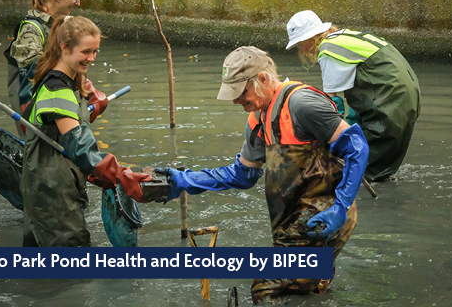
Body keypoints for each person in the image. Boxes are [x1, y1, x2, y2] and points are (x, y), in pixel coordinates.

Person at [151, 46, 368, 301]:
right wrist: (185, 180)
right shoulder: (257, 118)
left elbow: (357, 147)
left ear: (263, 79)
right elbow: (243, 175)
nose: (236, 100)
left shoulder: (301, 103)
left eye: (241, 92)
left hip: (320, 216)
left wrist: (340, 208)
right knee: (303, 289)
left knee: (265, 286)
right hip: (291, 222)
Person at [19, 16, 153, 247]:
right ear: (64, 48)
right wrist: (121, 175)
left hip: (51, 183)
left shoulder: (67, 80)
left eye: (95, 51)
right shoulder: (56, 89)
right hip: (51, 191)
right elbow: (79, 146)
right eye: (85, 52)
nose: (91, 58)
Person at [286, 10, 418, 182]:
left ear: (308, 40)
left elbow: (330, 105)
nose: (301, 50)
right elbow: (361, 97)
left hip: (390, 98)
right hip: (408, 93)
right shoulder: (348, 37)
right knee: (380, 169)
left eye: (299, 44)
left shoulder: (328, 50)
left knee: (361, 173)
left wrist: (329, 139)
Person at [4, 0, 109, 121]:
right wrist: (88, 87)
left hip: (60, 98)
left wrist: (87, 90)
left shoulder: (62, 23)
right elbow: (37, 69)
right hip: (37, 106)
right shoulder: (31, 29)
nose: (78, 3)